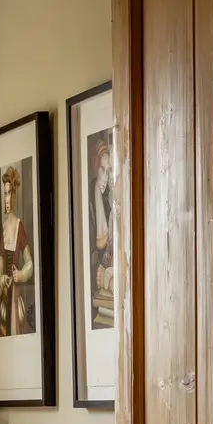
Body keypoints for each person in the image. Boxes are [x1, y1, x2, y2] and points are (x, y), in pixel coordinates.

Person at [0, 165, 34, 336]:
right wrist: (1, 279)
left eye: (9, 193)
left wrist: (20, 275)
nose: (7, 199)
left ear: (14, 195)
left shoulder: (19, 226)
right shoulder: (3, 229)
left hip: (15, 297)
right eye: (5, 194)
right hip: (5, 300)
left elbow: (30, 264)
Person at [88, 137, 114, 328]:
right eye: (102, 169)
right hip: (93, 283)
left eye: (109, 171)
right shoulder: (90, 196)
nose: (105, 177)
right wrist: (96, 193)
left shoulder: (108, 200)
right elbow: (98, 242)